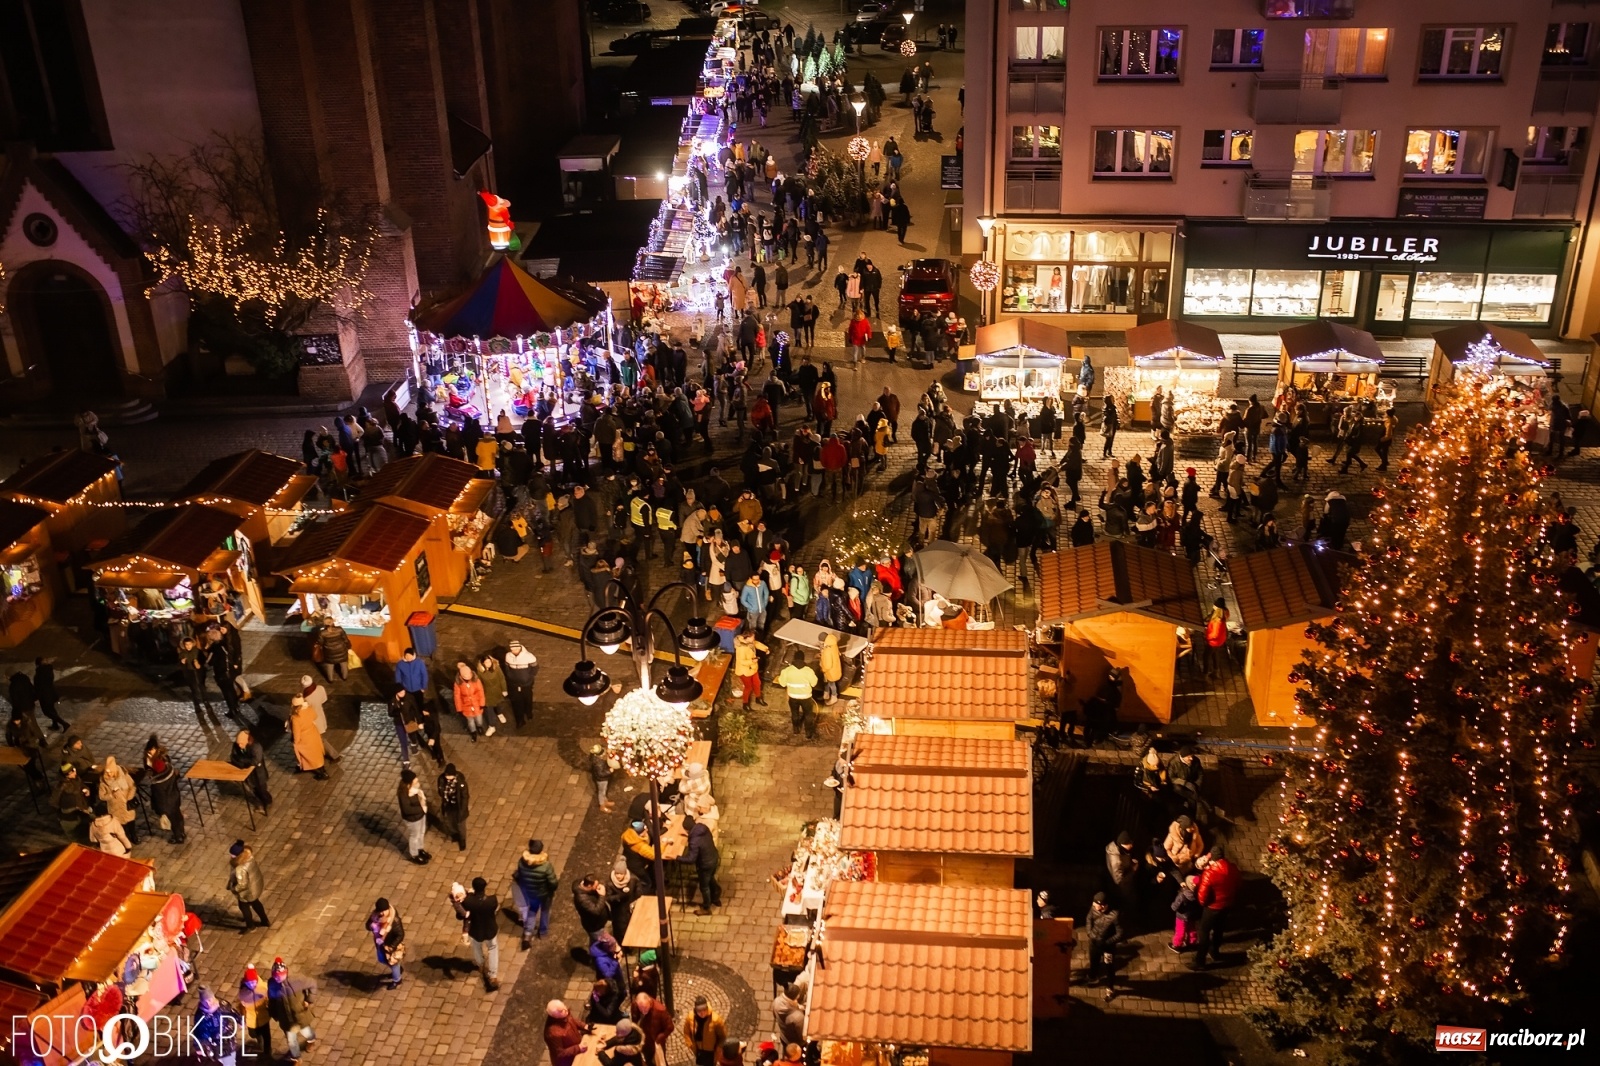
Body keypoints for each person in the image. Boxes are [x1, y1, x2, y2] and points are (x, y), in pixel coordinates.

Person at [1191, 845, 1240, 969]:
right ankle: (1215, 952)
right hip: (1227, 905)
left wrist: (1204, 904)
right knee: (1219, 929)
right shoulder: (1233, 868)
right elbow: (1239, 884)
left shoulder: (1210, 873)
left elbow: (1202, 896)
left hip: (1212, 907)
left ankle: (1200, 961)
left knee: (1204, 931)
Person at [453, 876, 502, 990]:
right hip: (490, 929)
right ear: (484, 887)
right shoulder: (492, 900)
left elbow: (461, 915)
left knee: (476, 947)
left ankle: (481, 965)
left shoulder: (468, 901)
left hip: (475, 929)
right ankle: (493, 975)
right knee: (493, 949)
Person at [266, 958, 316, 1060]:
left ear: (286, 972)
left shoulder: (297, 980)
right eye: (276, 976)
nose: (278, 979)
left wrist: (309, 1000)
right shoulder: (272, 984)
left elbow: (312, 984)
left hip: (300, 1015)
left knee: (308, 1032)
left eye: (280, 976)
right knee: (291, 1040)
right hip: (286, 1019)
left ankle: (311, 1041)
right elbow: (272, 1001)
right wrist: (274, 1014)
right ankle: (296, 1058)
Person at [512, 837, 559, 947]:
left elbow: (520, 876)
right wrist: (552, 890)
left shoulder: (522, 862)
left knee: (532, 911)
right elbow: (553, 883)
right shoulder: (546, 866)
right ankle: (543, 932)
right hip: (545, 894)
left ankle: (528, 934)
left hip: (531, 893)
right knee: (545, 911)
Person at [679, 808, 722, 915]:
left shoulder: (694, 841)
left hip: (705, 864)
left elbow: (691, 859)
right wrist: (689, 836)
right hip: (713, 857)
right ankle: (716, 897)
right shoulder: (702, 827)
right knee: (710, 878)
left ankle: (706, 908)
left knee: (704, 886)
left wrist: (677, 858)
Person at [1084, 891, 1124, 1000]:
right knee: (1094, 961)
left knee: (1109, 968)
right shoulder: (1094, 909)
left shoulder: (1115, 915)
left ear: (1103, 905)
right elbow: (1089, 919)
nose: (1093, 907)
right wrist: (1089, 933)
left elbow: (1120, 933)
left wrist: (1107, 942)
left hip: (1108, 948)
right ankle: (1093, 977)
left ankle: (1110, 989)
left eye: (1096, 905)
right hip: (1093, 943)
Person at [146, 743, 186, 844]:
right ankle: (182, 832)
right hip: (175, 798)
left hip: (167, 803)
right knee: (178, 816)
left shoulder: (158, 783)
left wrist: (160, 809)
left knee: (173, 820)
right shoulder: (169, 769)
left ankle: (178, 837)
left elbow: (159, 797)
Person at [228, 840, 270, 931]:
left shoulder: (240, 868)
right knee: (256, 903)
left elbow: (242, 884)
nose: (231, 856)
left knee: (243, 907)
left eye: (233, 855)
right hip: (254, 886)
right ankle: (265, 920)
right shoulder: (249, 857)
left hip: (246, 892)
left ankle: (250, 926)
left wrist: (233, 888)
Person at [776, 650, 819, 738]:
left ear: (794, 659)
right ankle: (808, 733)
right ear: (803, 659)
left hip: (793, 697)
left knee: (794, 713)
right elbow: (814, 683)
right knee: (808, 715)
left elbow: (782, 683)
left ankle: (796, 729)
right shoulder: (808, 671)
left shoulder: (787, 670)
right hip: (806, 697)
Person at [97, 754, 138, 844]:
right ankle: (125, 839)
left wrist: (129, 797)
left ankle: (134, 836)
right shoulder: (104, 782)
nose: (109, 774)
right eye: (107, 772)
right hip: (115, 808)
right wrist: (111, 795)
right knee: (121, 826)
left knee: (131, 822)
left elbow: (132, 786)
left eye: (111, 772)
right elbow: (102, 796)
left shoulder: (124, 775)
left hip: (127, 804)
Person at [229, 730, 272, 812]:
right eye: (238, 744)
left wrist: (242, 761)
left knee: (262, 790)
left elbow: (256, 761)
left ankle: (267, 802)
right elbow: (233, 757)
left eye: (241, 743)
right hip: (248, 775)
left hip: (258, 774)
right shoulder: (236, 746)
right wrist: (242, 763)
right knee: (253, 790)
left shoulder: (256, 747)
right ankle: (260, 804)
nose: (240, 745)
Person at [367, 897, 406, 989]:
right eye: (379, 911)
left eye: (383, 911)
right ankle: (397, 969)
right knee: (382, 960)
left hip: (390, 945)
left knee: (393, 963)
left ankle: (397, 980)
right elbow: (367, 925)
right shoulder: (375, 916)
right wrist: (373, 926)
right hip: (380, 943)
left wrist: (392, 946)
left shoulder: (394, 921)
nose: (381, 913)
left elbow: (400, 934)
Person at [452, 660, 495, 741]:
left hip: (477, 704)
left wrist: (482, 703)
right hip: (466, 706)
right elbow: (457, 697)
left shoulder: (476, 680)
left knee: (479, 719)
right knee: (470, 721)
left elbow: (481, 692)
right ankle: (473, 732)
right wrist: (459, 708)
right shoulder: (458, 683)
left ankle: (479, 727)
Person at [288, 696, 329, 780]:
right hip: (313, 734)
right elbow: (315, 716)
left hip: (304, 739)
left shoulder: (296, 718)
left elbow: (296, 732)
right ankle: (322, 770)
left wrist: (296, 742)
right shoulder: (309, 709)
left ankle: (321, 773)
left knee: (306, 756)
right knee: (317, 753)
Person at [681, 996, 728, 1066]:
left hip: (711, 1052)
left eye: (704, 1009)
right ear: (696, 1010)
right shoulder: (690, 1018)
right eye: (699, 1011)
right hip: (698, 1050)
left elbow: (723, 1037)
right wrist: (690, 1045)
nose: (702, 1013)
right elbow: (686, 1032)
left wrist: (718, 1049)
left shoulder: (716, 1020)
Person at [398, 768, 431, 864]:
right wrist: (421, 808)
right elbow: (407, 810)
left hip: (421, 815)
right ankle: (414, 854)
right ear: (409, 782)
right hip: (412, 819)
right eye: (414, 779)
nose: (417, 780)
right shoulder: (403, 794)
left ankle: (420, 849)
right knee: (414, 836)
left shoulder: (415, 789)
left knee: (421, 833)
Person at [238, 965, 271, 1059]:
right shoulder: (243, 993)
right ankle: (260, 1042)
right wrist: (243, 1019)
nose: (252, 984)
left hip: (263, 1016)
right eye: (249, 982)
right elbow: (242, 1006)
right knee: (254, 1034)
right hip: (251, 1019)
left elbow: (269, 999)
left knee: (266, 1036)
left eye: (253, 982)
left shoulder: (263, 988)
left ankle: (267, 1052)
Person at [632, 992, 673, 1066]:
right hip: (645, 1042)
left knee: (660, 1061)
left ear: (649, 1002)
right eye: (641, 1009)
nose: (643, 1011)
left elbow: (670, 1027)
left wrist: (658, 1039)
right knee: (648, 1060)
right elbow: (634, 1019)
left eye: (645, 1008)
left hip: (656, 1043)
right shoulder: (635, 1005)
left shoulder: (660, 1010)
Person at [504, 639, 538, 727]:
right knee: (516, 702)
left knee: (527, 698)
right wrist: (510, 676)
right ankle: (520, 720)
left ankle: (528, 712)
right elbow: (507, 667)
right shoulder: (508, 656)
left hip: (526, 684)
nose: (514, 651)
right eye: (512, 649)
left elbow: (535, 668)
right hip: (514, 684)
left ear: (519, 647)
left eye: (516, 649)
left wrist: (529, 677)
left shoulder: (529, 656)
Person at [179, 636, 215, 717]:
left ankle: (206, 702)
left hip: (199, 673)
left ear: (193, 644)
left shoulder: (197, 651)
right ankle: (197, 704)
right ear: (184, 645)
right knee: (194, 688)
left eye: (189, 644)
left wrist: (199, 665)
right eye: (186, 645)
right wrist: (182, 663)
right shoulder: (182, 653)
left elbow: (203, 661)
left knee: (202, 687)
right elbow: (180, 665)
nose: (188, 646)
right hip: (190, 673)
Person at [437, 762, 470, 851]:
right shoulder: (441, 779)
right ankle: (455, 834)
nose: (447, 777)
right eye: (447, 775)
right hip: (448, 804)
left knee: (460, 824)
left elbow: (465, 797)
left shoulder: (461, 783)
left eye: (449, 776)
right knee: (450, 821)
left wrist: (462, 811)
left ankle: (462, 840)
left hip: (458, 806)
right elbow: (440, 790)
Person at [544, 1000, 588, 1066]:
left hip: (577, 1052)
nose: (565, 1009)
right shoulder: (552, 1033)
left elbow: (573, 1021)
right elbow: (560, 1053)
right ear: (555, 1016)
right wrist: (577, 1048)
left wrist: (585, 1026)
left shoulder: (564, 1015)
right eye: (561, 1011)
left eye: (564, 1005)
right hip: (567, 1062)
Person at [732, 629, 768, 710]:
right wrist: (752, 661)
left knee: (757, 683)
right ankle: (745, 704)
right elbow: (741, 661)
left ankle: (758, 698)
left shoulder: (749, 642)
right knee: (748, 687)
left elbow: (756, 644)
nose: (754, 638)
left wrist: (765, 648)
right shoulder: (741, 648)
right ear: (747, 638)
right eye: (752, 637)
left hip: (752, 668)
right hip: (744, 671)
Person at [1106, 830, 1139, 911]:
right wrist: (1133, 869)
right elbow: (1120, 880)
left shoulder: (1121, 850)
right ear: (1123, 844)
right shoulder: (1116, 860)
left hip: (1124, 884)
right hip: (1121, 888)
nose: (1131, 845)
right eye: (1129, 844)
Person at [33, 656, 67, 730]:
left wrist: (36, 698)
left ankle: (65, 724)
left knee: (48, 712)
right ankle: (55, 725)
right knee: (52, 710)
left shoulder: (39, 674)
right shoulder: (48, 670)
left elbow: (38, 688)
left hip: (44, 696)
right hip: (51, 693)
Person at [773, 983, 806, 1048]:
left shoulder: (776, 1001)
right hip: (796, 1044)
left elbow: (774, 1015)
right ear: (795, 996)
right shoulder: (798, 1017)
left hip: (784, 1037)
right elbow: (802, 1035)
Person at [589, 743, 615, 812]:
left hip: (602, 779)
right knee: (602, 792)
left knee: (604, 790)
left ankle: (605, 801)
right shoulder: (598, 763)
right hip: (601, 780)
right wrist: (609, 771)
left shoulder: (596, 759)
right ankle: (602, 805)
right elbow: (601, 773)